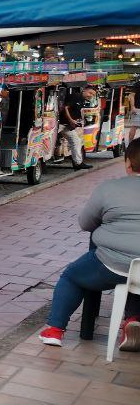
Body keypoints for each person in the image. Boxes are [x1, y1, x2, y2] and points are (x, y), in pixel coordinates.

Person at [38, 138, 140, 348]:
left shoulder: (109, 189)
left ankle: (55, 329)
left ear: (128, 162)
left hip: (110, 264)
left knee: (72, 276)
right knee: (136, 279)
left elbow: (85, 223)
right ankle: (133, 320)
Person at [62, 87, 88, 170]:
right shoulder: (75, 96)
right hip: (59, 123)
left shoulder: (82, 100)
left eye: (93, 95)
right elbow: (65, 107)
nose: (90, 96)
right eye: (90, 93)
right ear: (84, 90)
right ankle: (77, 163)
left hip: (66, 126)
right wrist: (71, 120)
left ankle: (78, 163)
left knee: (76, 141)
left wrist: (75, 121)